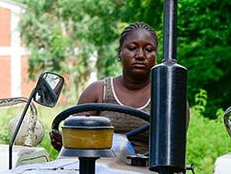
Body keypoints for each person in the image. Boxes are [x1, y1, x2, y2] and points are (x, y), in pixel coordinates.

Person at [50, 22, 158, 154]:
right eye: (132, 48)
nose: (140, 55)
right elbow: (77, 139)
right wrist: (66, 142)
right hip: (100, 171)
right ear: (120, 53)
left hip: (151, 171)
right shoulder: (98, 91)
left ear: (156, 56)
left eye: (148, 50)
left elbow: (174, 148)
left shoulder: (165, 96)